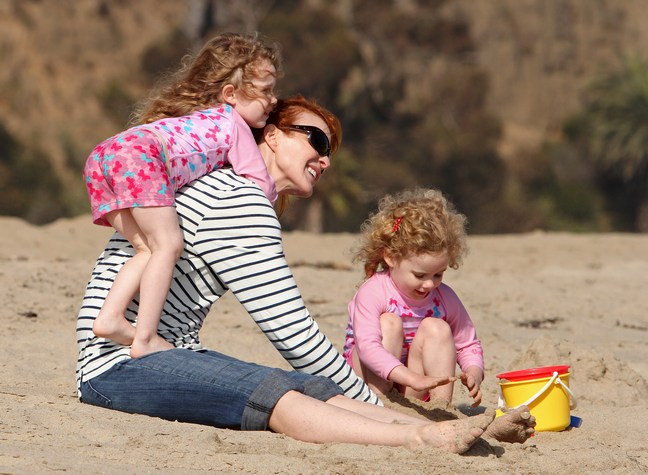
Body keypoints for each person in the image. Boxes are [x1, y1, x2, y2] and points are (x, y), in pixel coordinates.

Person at [76, 96, 534, 453]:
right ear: (271, 135)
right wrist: (375, 402)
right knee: (277, 392)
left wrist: (460, 421)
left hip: (161, 356)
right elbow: (292, 333)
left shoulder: (233, 190)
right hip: (118, 368)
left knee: (310, 387)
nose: (326, 158)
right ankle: (416, 439)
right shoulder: (239, 200)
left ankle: (456, 431)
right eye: (316, 140)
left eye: (330, 149)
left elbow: (307, 358)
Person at [83, 33, 280, 358]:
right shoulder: (233, 124)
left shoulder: (189, 120)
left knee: (146, 249)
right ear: (230, 94)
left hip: (104, 155)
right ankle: (145, 338)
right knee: (169, 245)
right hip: (138, 156)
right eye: (265, 91)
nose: (273, 100)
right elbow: (258, 182)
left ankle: (110, 318)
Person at [343, 188, 485, 406]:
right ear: (391, 257)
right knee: (389, 322)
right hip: (368, 381)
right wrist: (410, 377)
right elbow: (367, 348)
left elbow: (467, 343)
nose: (429, 284)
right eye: (419, 275)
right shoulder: (374, 291)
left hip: (415, 386)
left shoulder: (444, 297)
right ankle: (380, 401)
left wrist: (474, 371)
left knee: (438, 328)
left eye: (438, 274)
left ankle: (440, 408)